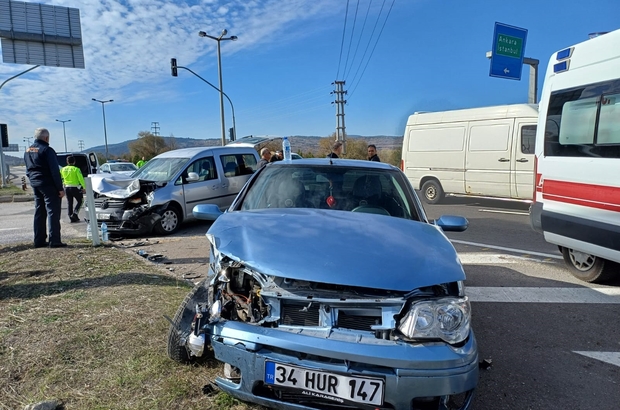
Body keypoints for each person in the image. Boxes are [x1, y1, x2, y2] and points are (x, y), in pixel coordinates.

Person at [24, 128, 66, 248]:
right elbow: (54, 171)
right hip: (48, 184)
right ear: (46, 138)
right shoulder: (47, 150)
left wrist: (32, 181)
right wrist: (60, 188)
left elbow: (27, 169)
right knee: (53, 212)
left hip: (35, 183)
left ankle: (39, 240)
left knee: (39, 212)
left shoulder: (28, 150)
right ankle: (55, 240)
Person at [60, 155, 86, 223]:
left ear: (67, 162)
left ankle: (70, 216)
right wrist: (84, 187)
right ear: (74, 162)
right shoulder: (76, 169)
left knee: (70, 202)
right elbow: (81, 179)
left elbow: (61, 178)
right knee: (80, 201)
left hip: (66, 187)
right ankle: (75, 213)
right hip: (75, 187)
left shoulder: (62, 169)